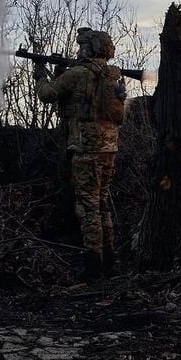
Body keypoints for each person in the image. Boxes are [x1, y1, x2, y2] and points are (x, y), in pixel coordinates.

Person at [34, 27, 127, 280]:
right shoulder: (113, 75)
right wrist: (60, 70)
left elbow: (47, 94)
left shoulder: (78, 74)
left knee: (88, 208)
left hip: (86, 149)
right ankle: (109, 261)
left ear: (88, 48)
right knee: (102, 203)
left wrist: (39, 72)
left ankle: (93, 267)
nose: (78, 50)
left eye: (81, 47)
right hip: (109, 148)